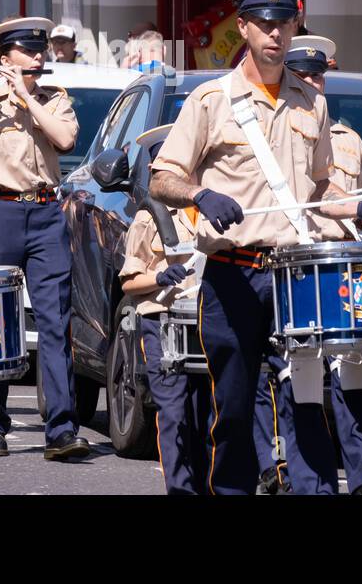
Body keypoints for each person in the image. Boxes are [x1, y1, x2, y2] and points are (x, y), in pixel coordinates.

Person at [148, 0, 359, 495]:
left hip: (295, 273)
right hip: (233, 275)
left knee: (309, 399)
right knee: (236, 409)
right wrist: (200, 195)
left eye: (285, 23)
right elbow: (162, 177)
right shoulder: (210, 100)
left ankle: (314, 491)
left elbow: (322, 187)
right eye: (264, 23)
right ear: (242, 27)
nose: (276, 33)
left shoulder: (312, 101)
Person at [0, 16, 88, 460]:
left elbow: (66, 138)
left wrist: (29, 98)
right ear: (4, 57)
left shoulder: (54, 99)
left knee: (54, 322)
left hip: (47, 211)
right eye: (27, 51)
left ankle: (62, 429)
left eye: (41, 51)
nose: (37, 57)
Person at [286, 36, 362, 495]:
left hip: (349, 258)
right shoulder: (277, 132)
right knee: (302, 368)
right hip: (299, 258)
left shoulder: (349, 139)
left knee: (359, 363)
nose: (314, 83)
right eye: (304, 75)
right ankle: (310, 479)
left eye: (319, 75)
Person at [116, 124, 209, 494]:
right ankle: (180, 489)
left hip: (206, 318)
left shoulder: (209, 207)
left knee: (207, 413)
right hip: (163, 323)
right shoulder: (148, 217)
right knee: (173, 412)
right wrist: (160, 277)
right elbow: (128, 282)